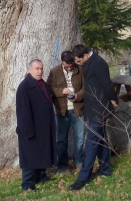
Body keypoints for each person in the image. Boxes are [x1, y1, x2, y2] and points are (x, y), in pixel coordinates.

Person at [69, 44, 118, 191]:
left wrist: (114, 99)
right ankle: (105, 168)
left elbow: (107, 84)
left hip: (99, 108)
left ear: (84, 55)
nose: (78, 64)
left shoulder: (98, 63)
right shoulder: (88, 62)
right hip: (92, 107)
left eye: (78, 61)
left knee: (91, 143)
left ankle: (83, 178)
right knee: (101, 139)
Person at [15, 58, 56, 191]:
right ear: (30, 70)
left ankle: (40, 176)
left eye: (41, 69)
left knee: (42, 152)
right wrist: (27, 130)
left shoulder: (42, 84)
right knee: (30, 156)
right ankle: (27, 183)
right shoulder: (25, 87)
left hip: (43, 126)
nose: (40, 71)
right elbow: (22, 111)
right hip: (30, 127)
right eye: (37, 69)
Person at [46, 50, 86, 174]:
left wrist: (77, 96)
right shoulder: (54, 71)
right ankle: (62, 166)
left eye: (71, 66)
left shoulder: (80, 70)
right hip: (61, 111)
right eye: (66, 66)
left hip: (78, 109)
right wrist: (61, 91)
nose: (69, 68)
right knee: (61, 139)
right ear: (62, 62)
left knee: (79, 138)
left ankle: (79, 162)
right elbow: (48, 88)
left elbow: (87, 87)